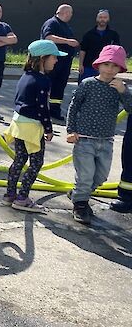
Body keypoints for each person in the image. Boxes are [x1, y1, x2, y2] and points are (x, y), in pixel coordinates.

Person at [66, 45, 132, 225]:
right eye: (107, 64)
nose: (110, 69)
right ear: (99, 64)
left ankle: (78, 194)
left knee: (100, 176)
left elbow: (130, 109)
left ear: (120, 69)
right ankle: (80, 205)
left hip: (106, 141)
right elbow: (74, 106)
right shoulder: (88, 83)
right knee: (86, 175)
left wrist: (124, 92)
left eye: (115, 66)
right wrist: (71, 130)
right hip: (84, 140)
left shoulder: (119, 87)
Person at [3, 40, 63, 213]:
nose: (56, 61)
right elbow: (43, 108)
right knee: (36, 163)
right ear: (43, 58)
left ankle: (10, 194)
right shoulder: (43, 81)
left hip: (18, 124)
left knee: (19, 160)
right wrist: (49, 129)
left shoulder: (26, 76)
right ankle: (23, 198)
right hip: (32, 127)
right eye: (54, 57)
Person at [40, 4, 80, 121]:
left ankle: (54, 110)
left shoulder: (66, 26)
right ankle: (41, 109)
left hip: (65, 62)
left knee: (59, 87)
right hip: (52, 62)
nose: (71, 15)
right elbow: (48, 37)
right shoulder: (52, 23)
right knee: (47, 85)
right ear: (65, 12)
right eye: (70, 13)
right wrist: (68, 42)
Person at [78, 9, 121, 82]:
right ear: (97, 19)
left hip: (106, 67)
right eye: (100, 17)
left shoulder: (113, 35)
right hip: (88, 66)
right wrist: (80, 65)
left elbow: (116, 52)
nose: (102, 19)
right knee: (85, 87)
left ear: (108, 19)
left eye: (105, 17)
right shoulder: (88, 34)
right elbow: (83, 50)